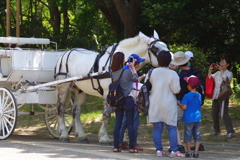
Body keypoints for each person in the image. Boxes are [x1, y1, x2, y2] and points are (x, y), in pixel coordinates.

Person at [146, 50, 184, 157]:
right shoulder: (173, 74)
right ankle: (174, 150)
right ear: (169, 61)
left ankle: (159, 150)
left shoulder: (151, 72)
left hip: (154, 102)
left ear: (158, 60)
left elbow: (146, 86)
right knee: (171, 127)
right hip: (169, 103)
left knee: (157, 128)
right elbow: (176, 90)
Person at [111, 52, 139, 153]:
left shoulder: (112, 72)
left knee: (118, 123)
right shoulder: (127, 72)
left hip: (118, 100)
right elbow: (136, 79)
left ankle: (116, 146)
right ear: (122, 60)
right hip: (127, 99)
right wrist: (132, 67)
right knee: (130, 124)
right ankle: (132, 147)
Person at [119, 54, 145, 151]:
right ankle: (133, 144)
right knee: (134, 124)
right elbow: (135, 80)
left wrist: (141, 76)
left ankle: (119, 142)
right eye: (138, 62)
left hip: (124, 100)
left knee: (124, 123)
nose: (139, 64)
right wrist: (133, 67)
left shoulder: (123, 70)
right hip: (132, 100)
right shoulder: (130, 71)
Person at [208, 57, 235, 138]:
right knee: (214, 113)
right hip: (216, 95)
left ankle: (230, 131)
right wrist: (210, 69)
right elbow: (210, 78)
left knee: (224, 113)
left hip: (223, 95)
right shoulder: (217, 73)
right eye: (221, 62)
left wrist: (222, 70)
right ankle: (216, 130)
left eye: (223, 62)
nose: (221, 64)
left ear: (228, 64)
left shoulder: (229, 73)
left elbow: (226, 79)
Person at [178, 75, 202, 158]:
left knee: (188, 135)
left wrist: (179, 103)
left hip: (188, 118)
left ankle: (188, 152)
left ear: (189, 85)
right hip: (197, 117)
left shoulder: (187, 96)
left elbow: (184, 107)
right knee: (197, 135)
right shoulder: (199, 95)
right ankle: (196, 152)